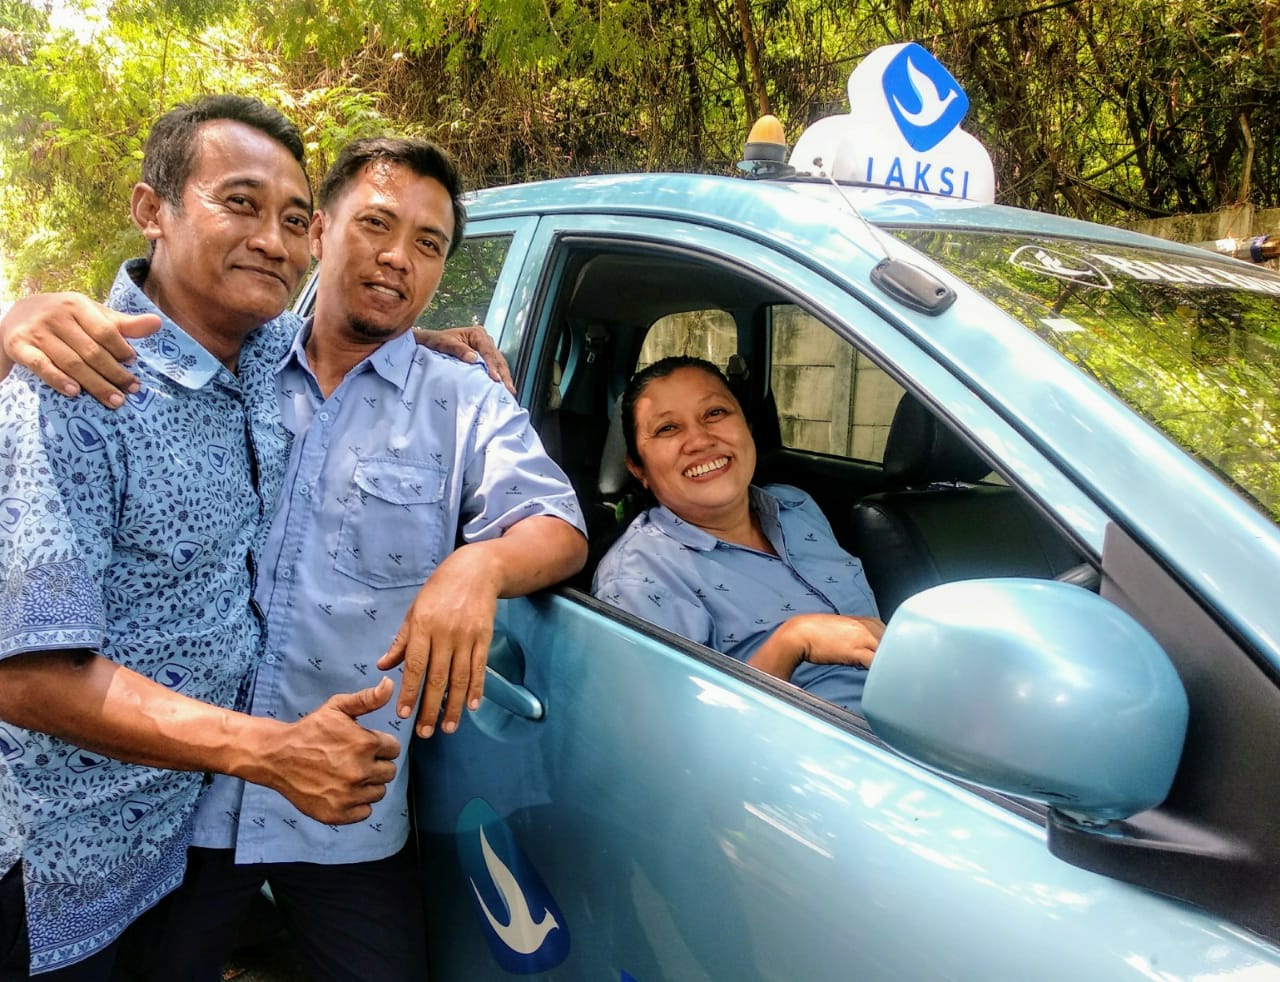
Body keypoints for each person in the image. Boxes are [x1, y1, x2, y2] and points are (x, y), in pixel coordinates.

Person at [3, 135, 588, 981]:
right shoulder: (234, 359)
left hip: (347, 812)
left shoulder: (461, 399)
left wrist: (476, 568)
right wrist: (15, 320)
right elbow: (113, 349)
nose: (398, 258)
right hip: (189, 804)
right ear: (324, 231)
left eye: (429, 245)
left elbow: (557, 523)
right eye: (376, 225)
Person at [0, 96, 402, 980]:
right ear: (154, 211)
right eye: (241, 203)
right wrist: (272, 752)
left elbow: (341, 337)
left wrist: (424, 342)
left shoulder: (259, 355)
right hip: (66, 861)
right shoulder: (77, 386)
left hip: (186, 841)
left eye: (296, 221)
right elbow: (27, 678)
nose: (275, 240)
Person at [593, 355, 884, 712]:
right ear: (639, 468)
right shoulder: (638, 580)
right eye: (668, 428)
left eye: (714, 413)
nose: (700, 440)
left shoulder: (796, 506)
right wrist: (791, 642)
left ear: (746, 425)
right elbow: (679, 738)